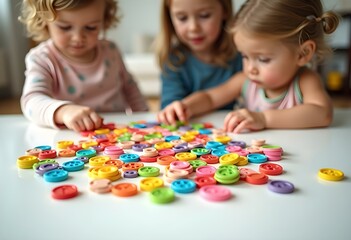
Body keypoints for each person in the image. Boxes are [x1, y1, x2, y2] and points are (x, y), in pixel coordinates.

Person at [157, 0, 339, 133]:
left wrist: (264, 118)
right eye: (244, 56)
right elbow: (210, 98)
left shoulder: (306, 80)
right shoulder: (246, 80)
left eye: (263, 59)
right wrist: (186, 106)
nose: (250, 68)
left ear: (303, 53)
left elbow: (322, 114)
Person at [19, 0, 149, 132]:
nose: (78, 37)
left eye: (91, 27)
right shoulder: (42, 58)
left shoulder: (111, 50)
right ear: (44, 20)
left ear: (104, 20)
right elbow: (31, 102)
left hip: (117, 133)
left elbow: (130, 87)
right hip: (72, 136)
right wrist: (63, 111)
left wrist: (143, 117)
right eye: (65, 27)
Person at [156, 0, 242, 111]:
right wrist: (175, 110)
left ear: (225, 11)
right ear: (169, 18)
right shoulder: (173, 60)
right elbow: (170, 106)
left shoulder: (244, 55)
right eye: (182, 18)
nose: (193, 28)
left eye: (204, 15)